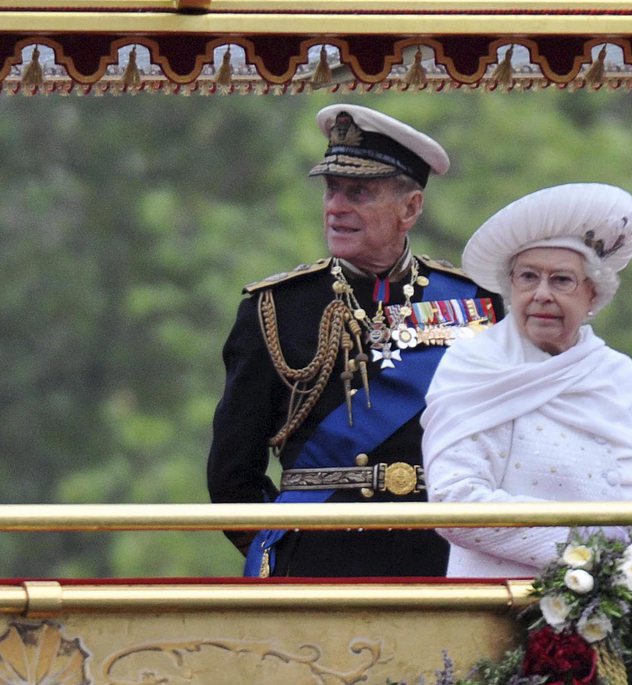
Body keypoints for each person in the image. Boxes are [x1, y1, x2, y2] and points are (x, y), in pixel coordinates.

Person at [208, 104, 503, 578]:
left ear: (411, 207)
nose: (336, 207)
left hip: (445, 557)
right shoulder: (276, 307)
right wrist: (278, 547)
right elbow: (231, 474)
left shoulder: (476, 302)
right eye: (332, 189)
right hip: (318, 562)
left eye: (360, 193)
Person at [421, 183, 632, 577]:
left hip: (619, 605)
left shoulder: (618, 372)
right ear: (510, 288)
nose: (542, 294)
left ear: (593, 295)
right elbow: (455, 502)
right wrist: (588, 554)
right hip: (498, 605)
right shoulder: (475, 364)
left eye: (561, 281)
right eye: (528, 278)